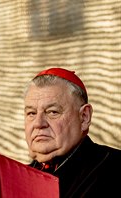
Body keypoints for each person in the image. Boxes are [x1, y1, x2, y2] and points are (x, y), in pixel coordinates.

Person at [24, 67, 121, 197]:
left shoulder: (114, 167)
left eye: (53, 112)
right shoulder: (17, 178)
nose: (38, 123)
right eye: (31, 113)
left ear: (84, 117)